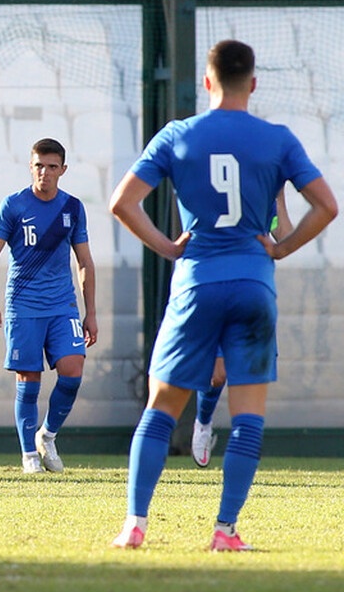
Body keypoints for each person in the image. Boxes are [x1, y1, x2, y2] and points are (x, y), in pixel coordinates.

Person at [109, 39, 337, 551]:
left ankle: (135, 524)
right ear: (252, 84)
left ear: (207, 82)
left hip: (197, 282)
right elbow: (326, 206)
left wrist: (170, 246)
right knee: (249, 414)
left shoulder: (178, 135)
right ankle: (224, 531)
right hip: (254, 284)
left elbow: (122, 203)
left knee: (162, 406)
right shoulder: (277, 139)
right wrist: (280, 249)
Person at [0, 138, 98, 474]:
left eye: (51, 166)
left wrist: (91, 312)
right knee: (28, 377)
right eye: (38, 166)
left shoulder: (73, 207)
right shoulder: (14, 205)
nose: (44, 172)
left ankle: (47, 435)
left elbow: (85, 261)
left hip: (63, 305)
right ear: (30, 167)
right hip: (24, 305)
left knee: (72, 370)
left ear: (63, 169)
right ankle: (28, 455)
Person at [191, 190, 293, 468]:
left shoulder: (262, 199)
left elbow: (284, 239)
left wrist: (279, 196)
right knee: (216, 375)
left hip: (254, 292)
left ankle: (244, 446)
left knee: (253, 377)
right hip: (216, 291)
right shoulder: (210, 191)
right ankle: (203, 421)